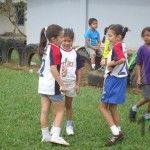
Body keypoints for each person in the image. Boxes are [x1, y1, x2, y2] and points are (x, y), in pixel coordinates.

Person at [38, 24, 69, 146]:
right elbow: (53, 69)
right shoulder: (55, 49)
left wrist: (63, 69)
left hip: (43, 85)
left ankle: (45, 136)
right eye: (61, 37)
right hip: (53, 86)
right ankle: (55, 136)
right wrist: (61, 84)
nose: (63, 40)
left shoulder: (46, 47)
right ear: (53, 38)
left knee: (44, 111)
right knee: (60, 111)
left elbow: (50, 66)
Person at [99, 24, 128, 147]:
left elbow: (121, 59)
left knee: (102, 107)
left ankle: (116, 133)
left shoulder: (117, 46)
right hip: (121, 79)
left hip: (113, 79)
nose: (108, 38)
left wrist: (109, 63)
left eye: (110, 36)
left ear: (119, 36)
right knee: (112, 107)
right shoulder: (122, 45)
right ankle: (118, 130)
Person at [60, 28, 83, 135]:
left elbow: (79, 70)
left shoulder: (75, 53)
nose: (66, 43)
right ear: (61, 39)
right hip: (59, 83)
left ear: (72, 41)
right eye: (64, 40)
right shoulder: (57, 51)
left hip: (71, 83)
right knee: (58, 106)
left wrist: (78, 85)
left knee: (68, 105)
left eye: (69, 41)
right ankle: (56, 126)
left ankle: (69, 126)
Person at [129, 27, 150, 122]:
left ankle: (148, 115)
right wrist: (138, 77)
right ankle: (134, 108)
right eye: (144, 36)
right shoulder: (141, 49)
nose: (145, 37)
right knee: (148, 97)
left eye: (148, 35)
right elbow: (138, 63)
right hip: (145, 76)